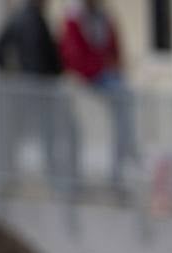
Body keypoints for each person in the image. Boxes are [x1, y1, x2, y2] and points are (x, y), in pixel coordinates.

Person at [0, 0, 76, 194]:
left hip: (42, 91)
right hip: (31, 91)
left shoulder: (38, 20)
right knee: (23, 136)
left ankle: (55, 180)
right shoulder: (23, 19)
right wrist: (11, 74)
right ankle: (6, 178)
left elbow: (50, 56)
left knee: (52, 135)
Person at [60, 0, 140, 191]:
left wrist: (113, 66)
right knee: (121, 95)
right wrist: (98, 69)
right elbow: (74, 54)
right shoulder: (74, 19)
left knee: (125, 100)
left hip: (105, 74)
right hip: (90, 76)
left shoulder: (104, 17)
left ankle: (124, 160)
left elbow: (114, 48)